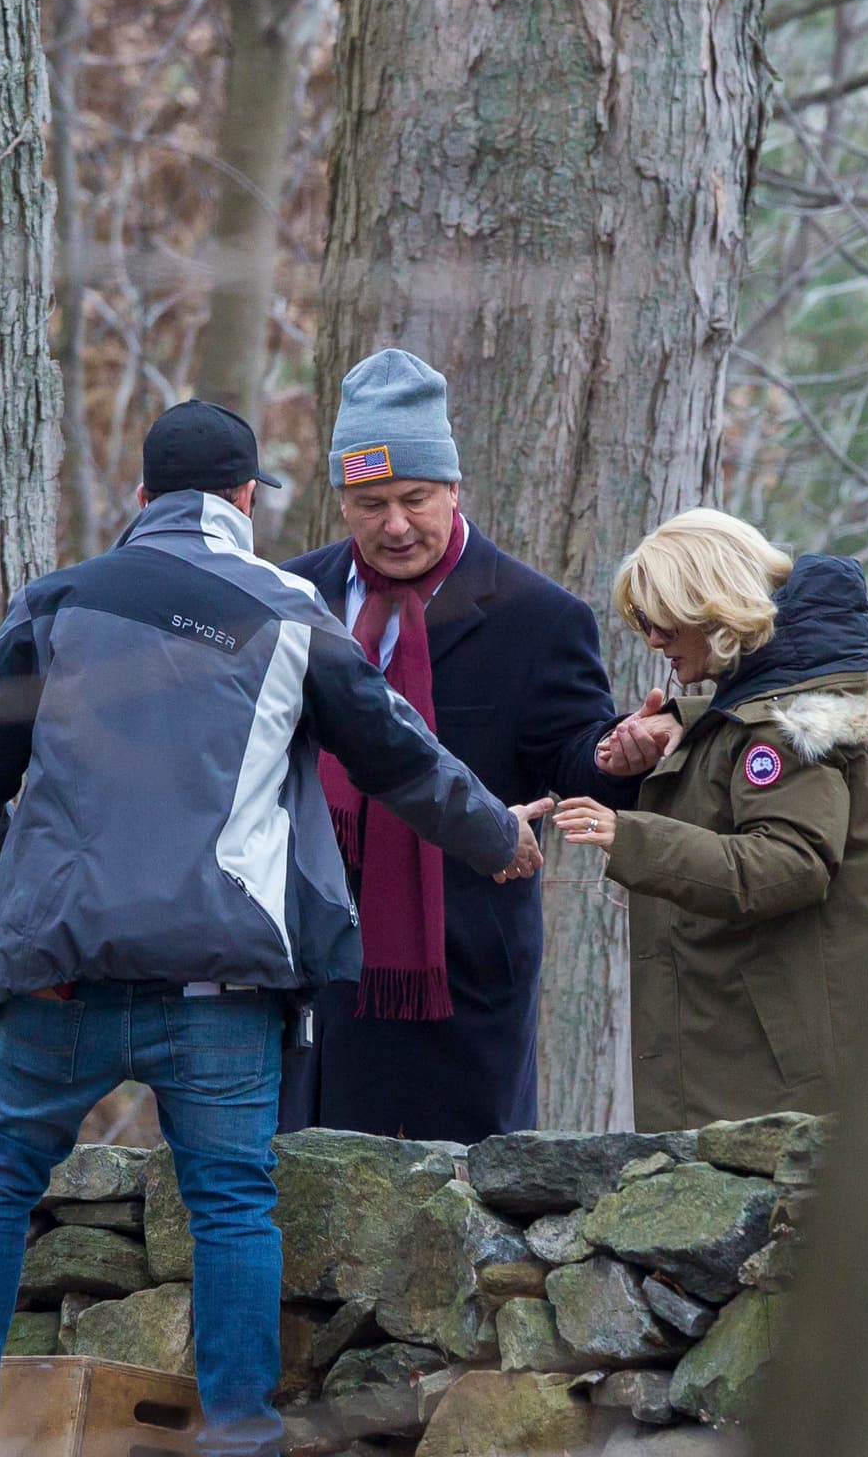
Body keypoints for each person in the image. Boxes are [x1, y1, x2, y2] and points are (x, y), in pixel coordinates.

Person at [0, 400, 542, 1457]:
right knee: (229, 1207)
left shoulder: (59, 599)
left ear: (140, 499)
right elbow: (398, 758)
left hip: (58, 977)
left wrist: (43, 882)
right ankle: (239, 1439)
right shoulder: (289, 608)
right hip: (216, 982)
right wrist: (496, 835)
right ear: (247, 499)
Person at [278, 347, 672, 1143]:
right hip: (306, 964)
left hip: (456, 970)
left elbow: (573, 754)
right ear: (343, 500)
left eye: (416, 499)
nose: (394, 525)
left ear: (455, 488)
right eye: (369, 502)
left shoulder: (537, 615)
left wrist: (611, 757)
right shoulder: (291, 598)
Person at [554, 508, 868, 1130]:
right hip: (769, 1072)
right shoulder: (779, 707)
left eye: (659, 620)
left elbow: (790, 862)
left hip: (782, 1085)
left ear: (709, 608)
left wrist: (633, 837)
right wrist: (691, 722)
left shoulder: (786, 726)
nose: (652, 640)